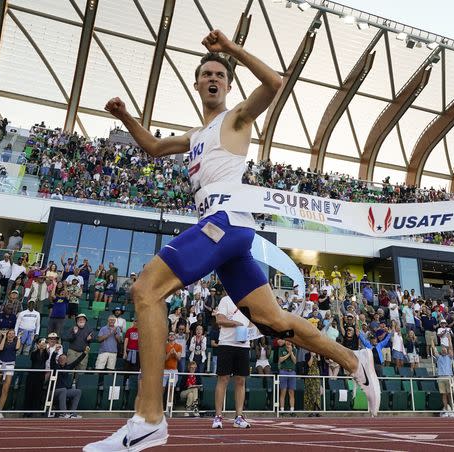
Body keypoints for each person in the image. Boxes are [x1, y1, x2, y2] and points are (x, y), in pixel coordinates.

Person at [85, 30, 379, 452]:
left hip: (227, 223)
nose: (212, 77)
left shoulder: (236, 118)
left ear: (226, 84)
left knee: (146, 290)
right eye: (205, 73)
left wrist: (232, 50)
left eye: (219, 74)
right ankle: (354, 360)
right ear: (197, 83)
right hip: (228, 238)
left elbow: (275, 84)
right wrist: (125, 116)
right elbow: (151, 146)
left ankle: (148, 418)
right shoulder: (193, 136)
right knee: (273, 321)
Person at [211, 293, 255, 428]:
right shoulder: (226, 300)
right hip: (226, 343)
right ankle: (218, 416)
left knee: (241, 380)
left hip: (243, 345)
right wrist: (237, 323)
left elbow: (253, 323)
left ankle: (239, 417)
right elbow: (220, 320)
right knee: (223, 379)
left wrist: (250, 331)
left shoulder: (248, 303)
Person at [52, 346, 89, 418]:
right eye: (61, 359)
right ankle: (63, 413)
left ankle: (73, 413)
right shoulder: (55, 366)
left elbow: (77, 361)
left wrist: (84, 353)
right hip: (55, 391)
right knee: (63, 390)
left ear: (66, 360)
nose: (62, 360)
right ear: (58, 360)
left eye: (64, 359)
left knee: (78, 391)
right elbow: (52, 361)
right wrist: (55, 352)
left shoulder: (68, 367)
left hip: (64, 391)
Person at [278, 340, 297, 416]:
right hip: (283, 371)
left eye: (290, 341)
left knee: (291, 392)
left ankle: (292, 410)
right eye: (287, 341)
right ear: (285, 342)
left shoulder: (294, 350)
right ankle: (281, 410)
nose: (288, 342)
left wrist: (291, 352)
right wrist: (289, 353)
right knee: (283, 392)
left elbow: (295, 361)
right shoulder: (281, 349)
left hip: (292, 371)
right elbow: (280, 359)